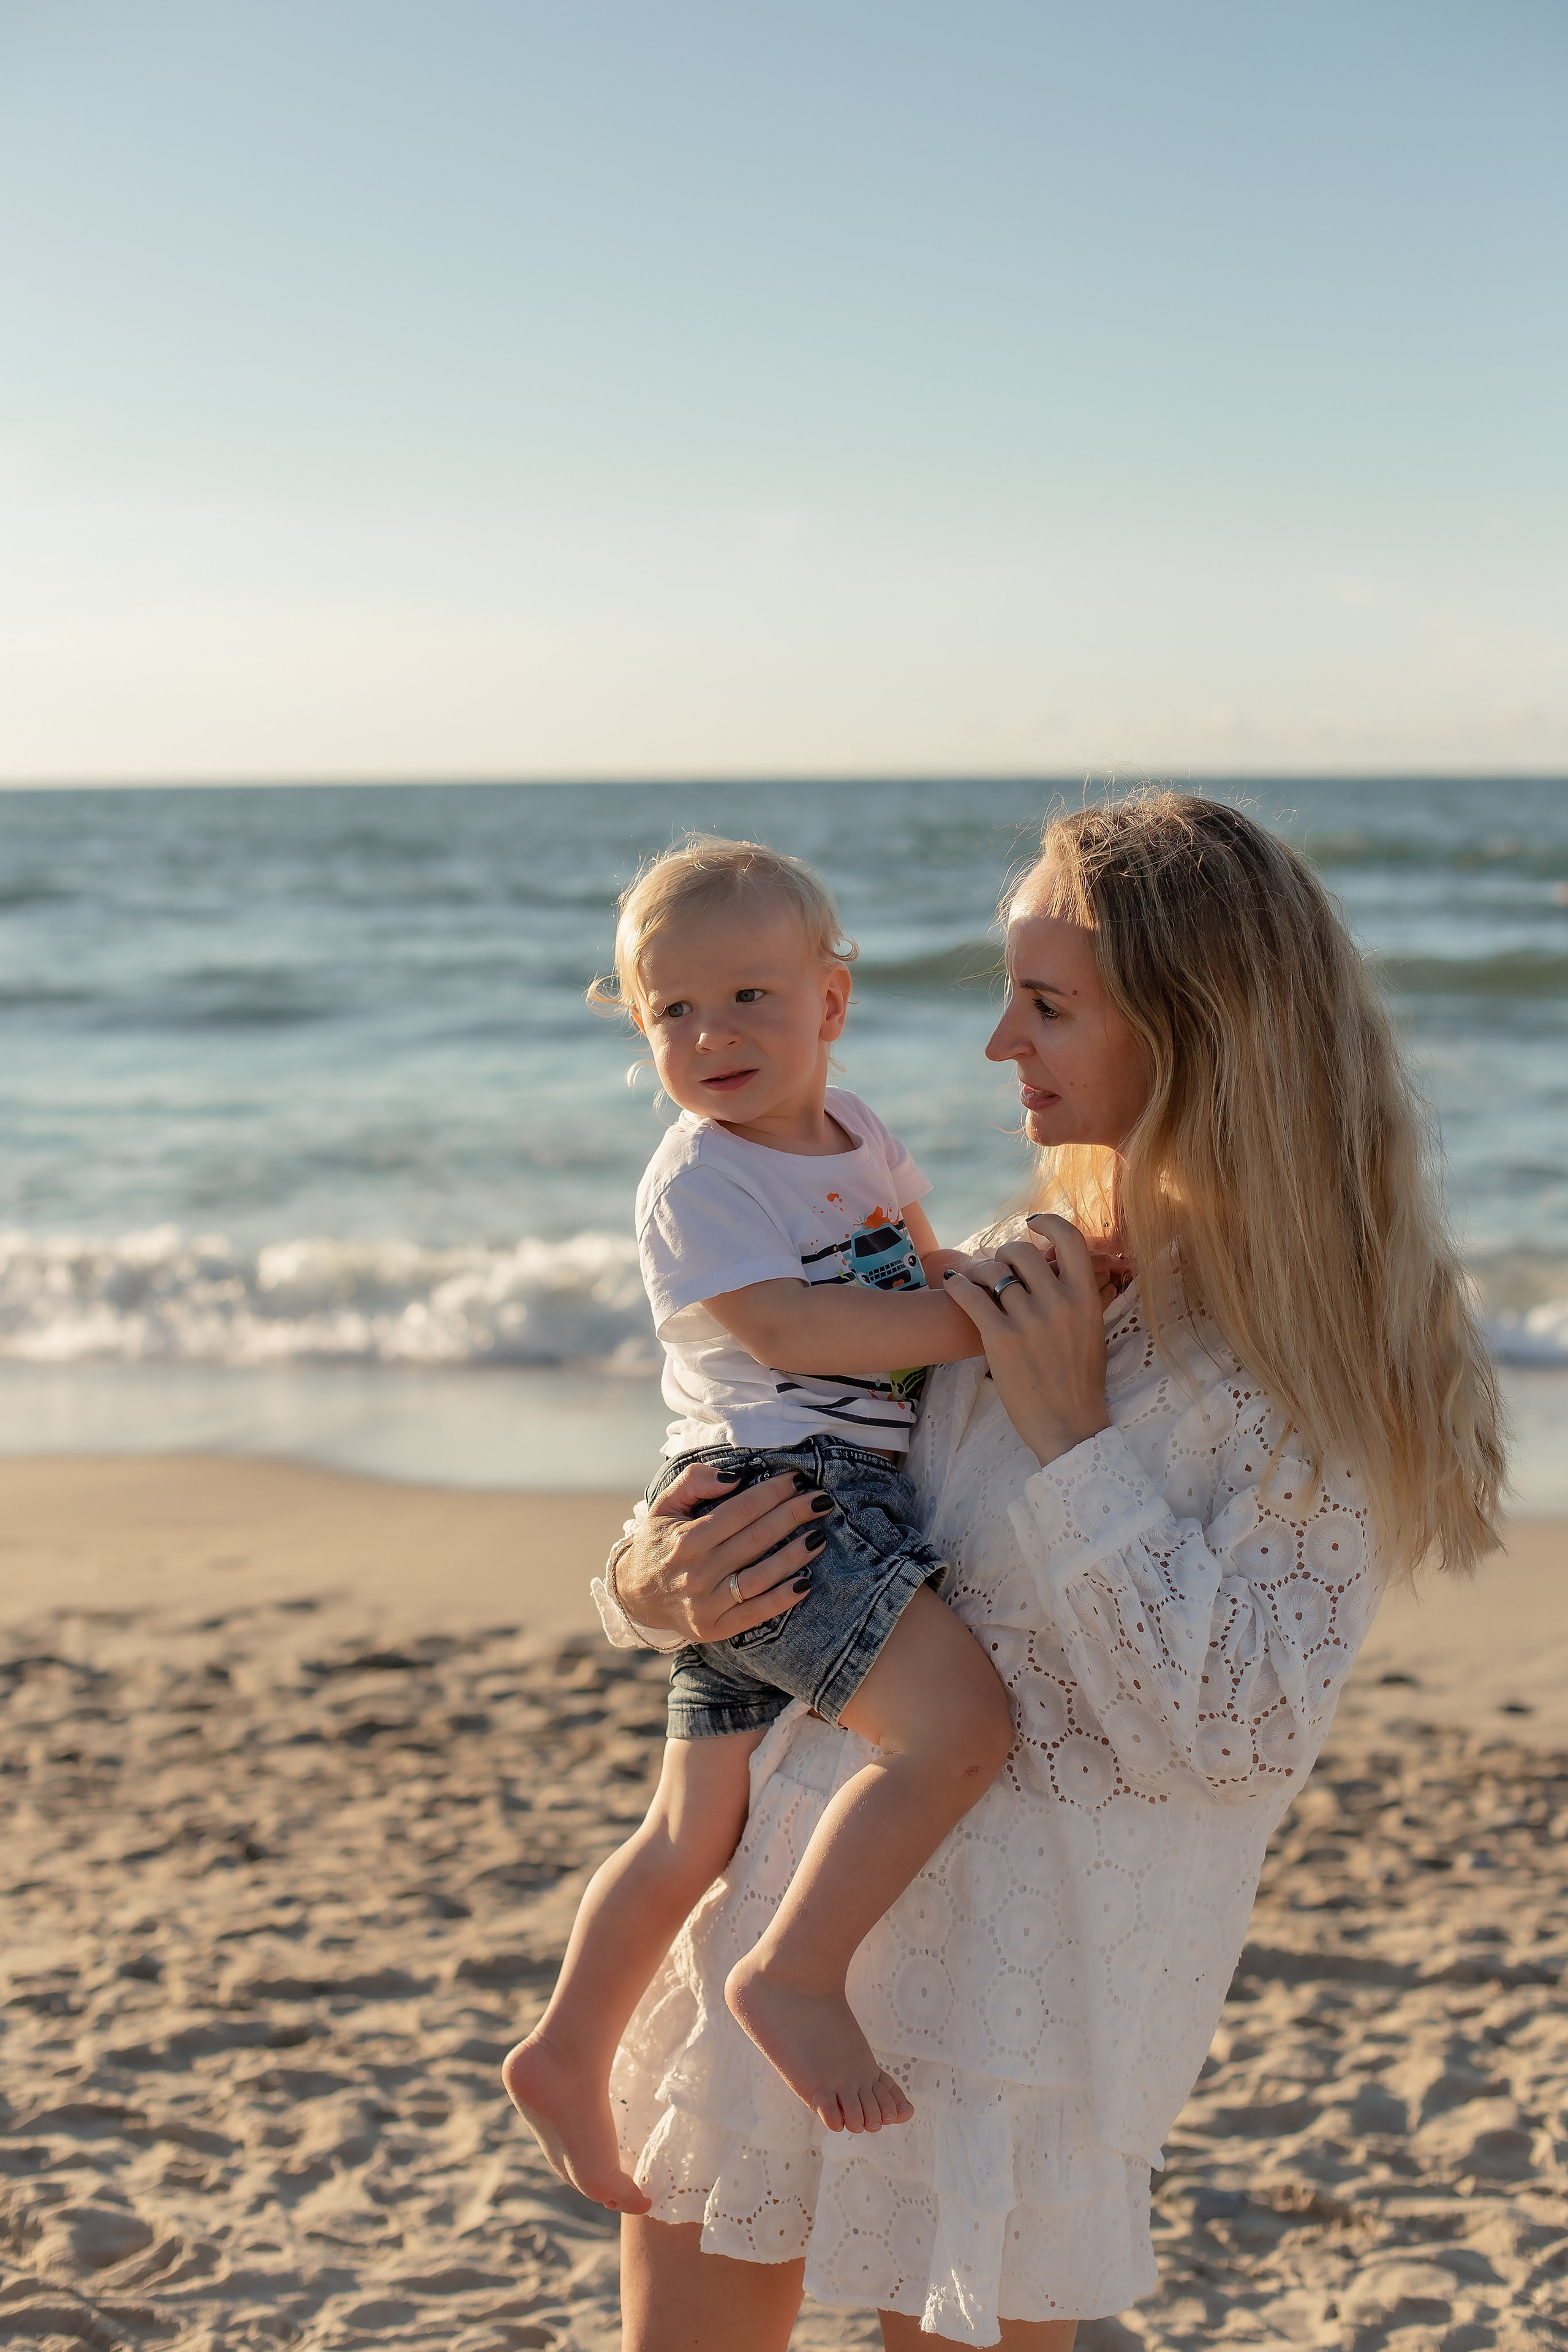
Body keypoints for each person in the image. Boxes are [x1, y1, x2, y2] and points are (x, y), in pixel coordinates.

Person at [594, 793, 1504, 2351]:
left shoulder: (1306, 1373)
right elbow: (791, 1461)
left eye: (1045, 1003)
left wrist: (1075, 1436)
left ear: (1194, 1027)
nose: (996, 1046)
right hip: (793, 1925)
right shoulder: (1025, 1265)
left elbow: (1233, 1736)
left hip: (1023, 2019)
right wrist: (640, 1583)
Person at [505, 834, 1054, 2213]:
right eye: (670, 1011)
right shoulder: (694, 1183)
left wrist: (973, 1281)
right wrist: (978, 1322)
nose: (710, 1033)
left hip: (804, 1501)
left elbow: (914, 1258)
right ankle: (795, 1971)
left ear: (830, 1001)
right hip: (782, 1501)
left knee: (690, 1829)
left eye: (747, 996)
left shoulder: (858, 1130)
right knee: (956, 1731)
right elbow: (800, 1327)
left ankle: (566, 2049)